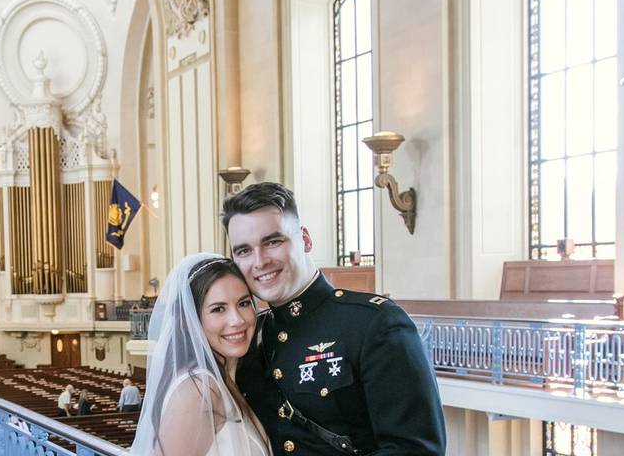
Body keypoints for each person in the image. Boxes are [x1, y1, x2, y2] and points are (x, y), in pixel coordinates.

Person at [224, 182, 446, 455]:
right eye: (243, 250)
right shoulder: (251, 336)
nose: (259, 262)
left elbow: (416, 450)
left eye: (272, 241)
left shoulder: (374, 324)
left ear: (305, 239)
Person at [130, 253, 270, 456]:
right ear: (192, 320)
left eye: (244, 303)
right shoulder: (199, 390)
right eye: (218, 309)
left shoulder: (228, 380)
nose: (237, 320)